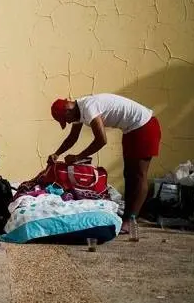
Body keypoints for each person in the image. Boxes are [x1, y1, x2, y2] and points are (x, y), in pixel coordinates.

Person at [48, 93, 161, 233]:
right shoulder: (78, 111)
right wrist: (57, 153)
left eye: (66, 120)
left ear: (67, 109)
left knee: (139, 175)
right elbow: (72, 138)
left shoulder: (89, 107)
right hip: (131, 130)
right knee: (129, 174)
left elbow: (101, 140)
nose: (69, 123)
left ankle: (130, 220)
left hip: (145, 126)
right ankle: (127, 216)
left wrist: (78, 157)